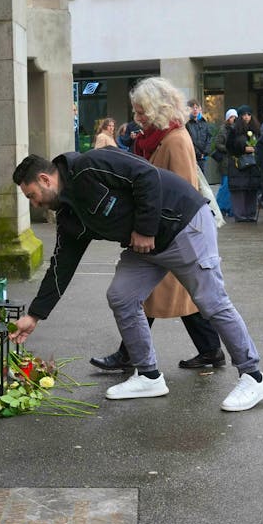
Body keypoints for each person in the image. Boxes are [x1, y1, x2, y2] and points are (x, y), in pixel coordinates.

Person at [10, 151, 263, 412]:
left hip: (183, 224)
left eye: (31, 196)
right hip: (147, 246)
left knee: (211, 302)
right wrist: (34, 315)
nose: (34, 204)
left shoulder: (90, 166)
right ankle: (149, 376)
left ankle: (253, 377)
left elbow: (146, 174)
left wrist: (145, 229)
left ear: (45, 179)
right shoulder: (68, 215)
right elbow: (61, 265)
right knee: (121, 296)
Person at [90, 78, 226, 373]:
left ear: (159, 109)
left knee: (157, 295)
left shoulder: (175, 139)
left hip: (169, 232)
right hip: (161, 230)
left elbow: (185, 190)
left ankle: (132, 355)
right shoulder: (155, 137)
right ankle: (209, 350)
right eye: (136, 112)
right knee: (173, 295)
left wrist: (152, 226)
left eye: (142, 112)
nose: (137, 118)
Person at [226, 105, 263, 222]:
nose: (246, 117)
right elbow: (229, 146)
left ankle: (251, 214)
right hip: (239, 165)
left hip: (253, 165)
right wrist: (243, 149)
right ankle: (240, 215)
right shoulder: (234, 130)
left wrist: (255, 149)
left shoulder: (256, 129)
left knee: (251, 190)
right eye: (243, 115)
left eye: (248, 114)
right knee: (239, 190)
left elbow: (261, 145)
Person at [212, 109, 237, 217]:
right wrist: (229, 148)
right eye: (232, 117)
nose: (234, 119)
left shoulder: (237, 129)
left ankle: (230, 208)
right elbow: (218, 144)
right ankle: (221, 207)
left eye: (235, 117)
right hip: (226, 161)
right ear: (228, 118)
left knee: (231, 186)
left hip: (233, 160)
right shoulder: (223, 129)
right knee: (226, 185)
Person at [185, 99, 214, 173]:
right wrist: (198, 153)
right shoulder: (186, 124)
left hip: (202, 157)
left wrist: (205, 152)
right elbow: (188, 141)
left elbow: (209, 138)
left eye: (196, 107)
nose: (195, 110)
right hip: (191, 156)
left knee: (202, 179)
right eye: (192, 107)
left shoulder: (204, 123)